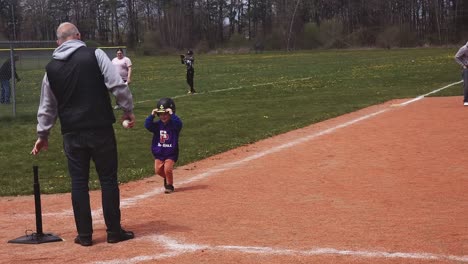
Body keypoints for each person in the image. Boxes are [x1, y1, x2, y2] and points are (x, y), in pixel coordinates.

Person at [31, 22, 135, 247]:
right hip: (100, 128)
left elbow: (47, 107)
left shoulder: (51, 68)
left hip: (71, 132)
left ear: (58, 41)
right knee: (107, 179)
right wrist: (127, 110)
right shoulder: (94, 54)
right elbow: (117, 85)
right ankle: (114, 232)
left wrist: (43, 135)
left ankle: (85, 236)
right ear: (78, 36)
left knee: (79, 182)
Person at [144, 98, 182, 194]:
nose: (163, 116)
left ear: (170, 113)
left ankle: (169, 185)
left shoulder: (174, 126)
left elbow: (179, 124)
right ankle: (166, 177)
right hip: (159, 153)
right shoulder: (157, 126)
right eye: (160, 114)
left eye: (165, 114)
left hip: (170, 153)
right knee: (158, 170)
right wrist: (152, 115)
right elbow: (147, 125)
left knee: (168, 169)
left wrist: (172, 114)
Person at [455, 41, 468, 106]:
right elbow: (456, 57)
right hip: (466, 68)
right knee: (466, 84)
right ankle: (466, 100)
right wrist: (463, 65)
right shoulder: (464, 49)